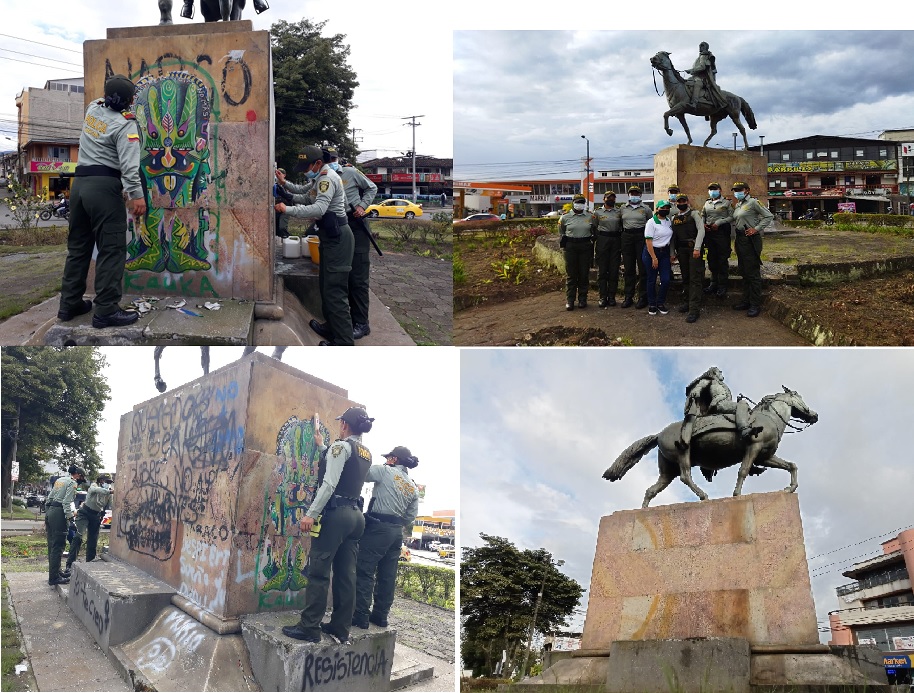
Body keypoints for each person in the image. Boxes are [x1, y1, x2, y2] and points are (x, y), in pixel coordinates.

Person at [58, 74, 147, 328]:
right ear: (130, 101)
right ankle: (106, 310)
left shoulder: (92, 109)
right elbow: (130, 167)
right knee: (111, 249)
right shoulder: (126, 125)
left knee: (78, 248)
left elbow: (104, 98)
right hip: (104, 188)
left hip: (80, 185)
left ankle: (69, 304)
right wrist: (137, 196)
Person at [282, 407, 375, 644]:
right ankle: (340, 627)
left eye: (341, 423)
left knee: (319, 573)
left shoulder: (340, 447)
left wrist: (310, 514)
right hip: (356, 518)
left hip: (336, 516)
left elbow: (330, 483)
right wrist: (322, 446)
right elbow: (343, 467)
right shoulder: (364, 452)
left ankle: (309, 627)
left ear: (344, 425)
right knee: (346, 575)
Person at [275, 145, 355, 345]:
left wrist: (288, 210)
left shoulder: (327, 178)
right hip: (328, 236)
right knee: (326, 286)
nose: (304, 170)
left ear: (318, 163)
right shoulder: (319, 178)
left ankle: (344, 342)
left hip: (338, 238)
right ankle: (332, 328)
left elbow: (319, 208)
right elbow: (306, 196)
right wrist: (287, 192)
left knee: (335, 291)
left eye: (306, 166)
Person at [353, 445, 420, 630]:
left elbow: (363, 474)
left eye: (388, 458)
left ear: (393, 459)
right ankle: (381, 617)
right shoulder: (412, 486)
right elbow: (410, 517)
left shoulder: (384, 471)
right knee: (387, 576)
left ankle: (360, 615)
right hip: (396, 532)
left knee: (364, 570)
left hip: (377, 527)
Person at [677, 366, 754, 451]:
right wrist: (697, 390)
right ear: (714, 373)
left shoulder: (720, 384)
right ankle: (744, 429)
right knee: (742, 404)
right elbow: (700, 386)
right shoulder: (709, 380)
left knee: (743, 407)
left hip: (725, 403)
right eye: (719, 372)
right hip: (718, 404)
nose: (721, 373)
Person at [730, 181, 774, 317]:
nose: (736, 192)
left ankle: (755, 304)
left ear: (747, 190)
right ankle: (746, 300)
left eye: (739, 190)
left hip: (750, 240)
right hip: (740, 239)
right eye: (735, 190)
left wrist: (756, 229)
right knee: (744, 271)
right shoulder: (738, 205)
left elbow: (768, 216)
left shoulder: (754, 202)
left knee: (753, 273)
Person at [45, 465, 85, 585]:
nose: (80, 481)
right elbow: (67, 503)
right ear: (77, 475)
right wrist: (71, 519)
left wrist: (48, 514)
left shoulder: (60, 480)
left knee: (51, 544)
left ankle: (56, 571)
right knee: (58, 545)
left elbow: (49, 498)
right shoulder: (72, 483)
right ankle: (53, 578)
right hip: (59, 514)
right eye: (81, 478)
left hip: (51, 510)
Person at [65, 474, 113, 571]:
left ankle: (90, 563)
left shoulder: (109, 493)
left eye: (109, 483)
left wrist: (102, 516)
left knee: (93, 540)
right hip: (84, 513)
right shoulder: (94, 486)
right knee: (78, 536)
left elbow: (109, 505)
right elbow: (96, 490)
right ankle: (70, 564)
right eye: (106, 482)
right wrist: (109, 491)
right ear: (101, 480)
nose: (107, 484)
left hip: (96, 515)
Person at [672, 194, 706, 323]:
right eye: (679, 201)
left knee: (695, 279)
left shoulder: (694, 214)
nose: (681, 203)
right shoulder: (674, 217)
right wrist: (672, 253)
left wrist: (697, 248)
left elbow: (701, 230)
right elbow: (672, 237)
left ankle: (694, 309)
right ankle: (686, 302)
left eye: (683, 201)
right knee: (685, 277)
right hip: (681, 251)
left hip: (693, 250)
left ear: (687, 201)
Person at [558, 193, 594, 310]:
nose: (580, 204)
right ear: (573, 203)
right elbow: (561, 231)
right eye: (577, 202)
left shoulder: (590, 216)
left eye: (582, 202)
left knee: (584, 274)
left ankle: (583, 299)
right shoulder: (565, 217)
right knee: (571, 275)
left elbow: (594, 230)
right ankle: (570, 300)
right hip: (570, 247)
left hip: (585, 246)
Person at [620, 185, 653, 309]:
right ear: (628, 195)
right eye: (632, 193)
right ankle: (628, 297)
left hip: (641, 237)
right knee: (629, 269)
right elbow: (619, 223)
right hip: (627, 237)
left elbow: (651, 223)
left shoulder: (646, 209)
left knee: (643, 268)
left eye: (636, 193)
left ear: (640, 195)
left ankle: (642, 297)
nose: (634, 196)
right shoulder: (623, 208)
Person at [700, 182, 733, 299]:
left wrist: (719, 223)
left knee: (722, 259)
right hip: (709, 233)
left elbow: (731, 217)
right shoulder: (707, 203)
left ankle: (722, 285)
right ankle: (713, 283)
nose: (712, 191)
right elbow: (703, 214)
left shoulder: (727, 203)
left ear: (720, 190)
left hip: (722, 233)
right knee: (711, 259)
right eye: (710, 189)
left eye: (714, 189)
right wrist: (703, 224)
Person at [591, 192, 622, 308]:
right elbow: (594, 227)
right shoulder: (597, 212)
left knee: (614, 270)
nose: (611, 200)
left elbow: (621, 225)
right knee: (602, 270)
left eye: (613, 198)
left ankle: (612, 296)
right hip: (602, 240)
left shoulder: (618, 212)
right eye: (609, 198)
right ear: (604, 199)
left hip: (615, 240)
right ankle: (603, 297)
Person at [642, 200, 674, 316]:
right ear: (657, 209)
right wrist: (654, 258)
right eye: (663, 208)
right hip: (651, 252)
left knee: (665, 279)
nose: (665, 209)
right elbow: (648, 241)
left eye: (667, 208)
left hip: (664, 252)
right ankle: (652, 303)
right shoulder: (651, 222)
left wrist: (671, 253)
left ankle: (660, 302)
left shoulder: (668, 221)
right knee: (652, 279)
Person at [686, 42, 725, 109]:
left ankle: (694, 103)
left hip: (703, 79)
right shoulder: (700, 56)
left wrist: (691, 70)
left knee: (698, 84)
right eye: (700, 46)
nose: (700, 47)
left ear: (706, 47)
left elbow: (702, 67)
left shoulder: (704, 56)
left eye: (702, 46)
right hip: (695, 77)